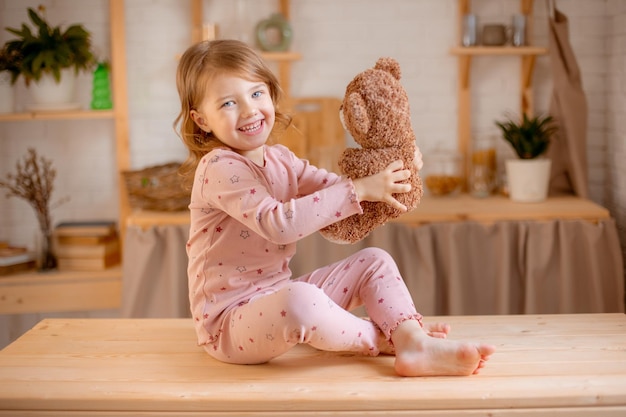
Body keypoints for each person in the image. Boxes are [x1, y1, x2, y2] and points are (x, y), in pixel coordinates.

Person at [174, 39, 495, 377]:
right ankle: (388, 340)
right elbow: (279, 223)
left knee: (375, 261)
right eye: (228, 103)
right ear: (202, 120)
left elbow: (333, 189)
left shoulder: (281, 158)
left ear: (270, 94)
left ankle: (412, 339)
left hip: (275, 299)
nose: (250, 110)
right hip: (229, 324)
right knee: (301, 300)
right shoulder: (219, 167)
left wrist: (396, 171)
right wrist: (357, 188)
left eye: (256, 94)